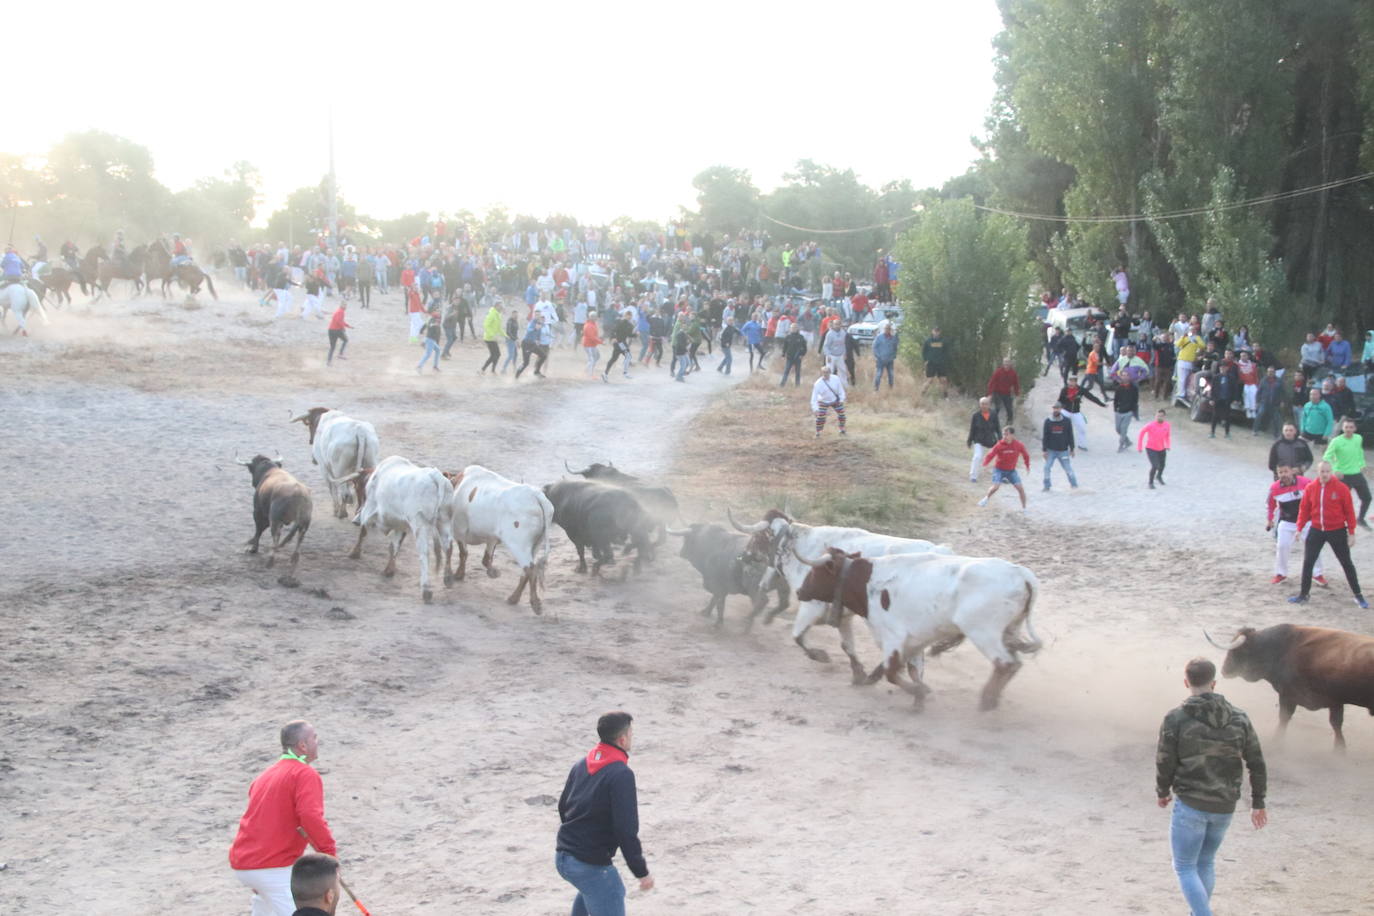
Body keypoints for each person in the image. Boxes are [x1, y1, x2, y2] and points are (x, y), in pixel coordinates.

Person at [1155, 657, 1267, 916]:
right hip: (1225, 806)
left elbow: (1165, 759)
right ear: (1214, 683)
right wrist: (1258, 803)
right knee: (1205, 862)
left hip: (1191, 803)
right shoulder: (1239, 718)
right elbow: (1257, 763)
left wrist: (1162, 792)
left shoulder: (1176, 718)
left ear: (1186, 682)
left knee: (1184, 866)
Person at [229, 721, 337, 916]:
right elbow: (310, 816)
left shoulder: (266, 774)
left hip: (245, 863)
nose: (317, 741)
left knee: (266, 907)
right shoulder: (304, 773)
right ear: (302, 746)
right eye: (314, 737)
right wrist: (328, 855)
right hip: (270, 866)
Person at [556, 711, 652, 916]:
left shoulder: (581, 764)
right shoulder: (621, 774)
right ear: (622, 739)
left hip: (563, 856)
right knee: (606, 887)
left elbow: (563, 807)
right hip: (588, 864)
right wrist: (641, 872)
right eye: (631, 734)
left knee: (590, 890)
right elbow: (625, 830)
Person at [1289, 461, 1368, 607]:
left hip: (1337, 530)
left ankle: (1358, 595)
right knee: (1308, 563)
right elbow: (1304, 509)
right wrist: (1299, 528)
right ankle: (1303, 594)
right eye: (1322, 471)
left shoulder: (1341, 488)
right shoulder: (1311, 488)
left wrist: (1351, 532)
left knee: (1346, 563)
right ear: (1318, 472)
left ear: (1331, 472)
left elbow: (1349, 512)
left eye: (1327, 471)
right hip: (1317, 529)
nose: (1325, 474)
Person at [1266, 465, 1325, 586]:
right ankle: (1280, 573)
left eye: (1285, 471)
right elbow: (1270, 505)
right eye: (1280, 472)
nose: (1283, 474)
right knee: (1282, 546)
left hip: (1307, 522)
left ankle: (1317, 574)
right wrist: (1270, 520)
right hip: (1286, 522)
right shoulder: (1274, 488)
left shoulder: (1305, 482)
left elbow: (1318, 495)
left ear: (1292, 471)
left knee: (1313, 547)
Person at [1323, 418, 1370, 529]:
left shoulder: (1358, 438)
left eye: (1351, 427)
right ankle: (1336, 523)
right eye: (1346, 427)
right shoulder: (1336, 441)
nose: (1348, 429)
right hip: (1343, 476)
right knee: (1339, 501)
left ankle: (1361, 519)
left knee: (1367, 497)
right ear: (1342, 428)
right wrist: (1335, 470)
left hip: (1357, 473)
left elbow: (1359, 451)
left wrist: (1362, 464)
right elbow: (1327, 457)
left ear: (1355, 428)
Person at [978, 425, 1030, 512]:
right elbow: (991, 454)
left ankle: (1024, 508)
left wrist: (1027, 466)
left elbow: (1026, 455)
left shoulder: (1018, 445)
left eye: (1007, 434)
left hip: (1011, 471)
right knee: (995, 487)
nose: (1004, 437)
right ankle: (986, 499)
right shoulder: (999, 445)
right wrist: (985, 464)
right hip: (999, 470)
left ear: (1012, 435)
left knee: (1020, 489)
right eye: (1003, 434)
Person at [1056, 374, 1106, 450]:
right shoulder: (1064, 389)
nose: (1071, 383)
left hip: (1076, 412)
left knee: (1082, 428)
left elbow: (1091, 397)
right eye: (1070, 381)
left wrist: (1101, 404)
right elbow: (1060, 400)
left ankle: (1082, 445)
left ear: (1076, 382)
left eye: (1073, 381)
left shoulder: (1080, 390)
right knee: (1062, 428)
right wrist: (1057, 409)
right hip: (1065, 411)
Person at [1041, 404, 1078, 491]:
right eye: (1054, 408)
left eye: (1057, 408)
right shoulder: (1048, 421)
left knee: (1068, 469)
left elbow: (1070, 435)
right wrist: (1044, 450)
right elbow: (1045, 436)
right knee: (1046, 468)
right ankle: (1047, 486)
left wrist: (1072, 449)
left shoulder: (1066, 421)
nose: (1056, 410)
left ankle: (1074, 485)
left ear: (1061, 409)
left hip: (1063, 450)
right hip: (1051, 450)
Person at [967, 397, 1001, 483]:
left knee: (1000, 456)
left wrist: (1000, 439)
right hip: (978, 439)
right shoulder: (976, 415)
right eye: (982, 404)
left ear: (989, 405)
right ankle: (973, 476)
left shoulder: (993, 414)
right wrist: (969, 440)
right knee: (977, 457)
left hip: (991, 440)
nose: (984, 406)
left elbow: (998, 427)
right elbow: (972, 429)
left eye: (986, 404)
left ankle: (1002, 476)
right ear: (979, 404)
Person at [1137, 408, 1172, 489]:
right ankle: (1150, 482)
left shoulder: (1167, 425)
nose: (1159, 417)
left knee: (1162, 465)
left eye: (1161, 416)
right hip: (1151, 448)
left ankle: (1159, 476)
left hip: (1162, 448)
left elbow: (1167, 436)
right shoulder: (1150, 425)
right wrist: (1139, 446)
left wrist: (1168, 445)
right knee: (1155, 465)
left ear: (1164, 417)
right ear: (1155, 416)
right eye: (1158, 416)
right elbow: (1141, 433)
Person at [1208, 350, 1240, 439]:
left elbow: (1234, 389)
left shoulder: (1231, 378)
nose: (1222, 369)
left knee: (1227, 417)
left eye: (1224, 367)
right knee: (1215, 416)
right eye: (1221, 368)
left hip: (1227, 399)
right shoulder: (1216, 377)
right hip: (1217, 399)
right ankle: (1212, 432)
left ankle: (1227, 433)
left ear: (1227, 368)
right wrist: (1211, 399)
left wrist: (1235, 399)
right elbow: (1213, 389)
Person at [810, 364, 847, 437]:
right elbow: (814, 397)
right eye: (824, 372)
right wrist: (815, 409)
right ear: (821, 373)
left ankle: (842, 429)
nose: (825, 374)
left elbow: (841, 390)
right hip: (823, 401)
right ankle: (818, 432)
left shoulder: (836, 379)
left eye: (827, 372)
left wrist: (842, 399)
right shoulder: (818, 383)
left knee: (842, 415)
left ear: (830, 372)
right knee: (821, 417)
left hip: (835, 400)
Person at [602, 309, 635, 382]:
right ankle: (625, 372)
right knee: (628, 356)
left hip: (621, 343)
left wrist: (636, 335)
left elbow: (629, 335)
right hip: (619, 343)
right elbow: (613, 330)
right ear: (625, 315)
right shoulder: (620, 322)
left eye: (630, 316)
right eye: (628, 315)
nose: (629, 317)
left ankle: (605, 373)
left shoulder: (630, 325)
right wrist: (612, 338)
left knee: (614, 358)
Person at [987, 357, 1021, 423]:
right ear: (1003, 363)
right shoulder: (998, 371)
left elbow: (1016, 384)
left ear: (1010, 363)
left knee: (1009, 408)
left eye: (1008, 362)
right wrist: (990, 394)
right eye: (1005, 362)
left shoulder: (1013, 373)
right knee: (997, 407)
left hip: (1007, 393)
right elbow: (992, 382)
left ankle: (1009, 423)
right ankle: (992, 421)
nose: (1006, 364)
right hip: (997, 392)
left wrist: (1017, 394)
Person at [1113, 373, 1140, 451]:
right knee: (1118, 429)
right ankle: (1127, 441)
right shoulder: (1118, 388)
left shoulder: (1134, 388)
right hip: (1119, 411)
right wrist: (1115, 409)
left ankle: (1121, 445)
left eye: (1126, 375)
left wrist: (1133, 410)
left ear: (1129, 377)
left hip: (1128, 412)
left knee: (1123, 429)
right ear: (1121, 377)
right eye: (1123, 375)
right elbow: (1115, 399)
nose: (1125, 377)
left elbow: (1136, 400)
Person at [921, 326, 949, 396]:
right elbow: (924, 352)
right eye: (935, 331)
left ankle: (945, 396)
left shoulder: (943, 341)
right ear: (932, 331)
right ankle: (922, 394)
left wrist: (944, 360)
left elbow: (946, 351)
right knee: (929, 380)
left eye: (938, 331)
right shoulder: (928, 341)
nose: (936, 332)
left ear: (940, 332)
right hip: (931, 363)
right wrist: (925, 360)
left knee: (944, 380)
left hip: (941, 364)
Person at [480, 300, 504, 374]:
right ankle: (483, 369)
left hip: (493, 338)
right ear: (496, 306)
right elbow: (486, 325)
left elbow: (499, 328)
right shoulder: (492, 314)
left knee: (496, 354)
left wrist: (506, 335)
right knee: (495, 354)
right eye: (500, 306)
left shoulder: (498, 314)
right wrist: (492, 335)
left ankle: (492, 370)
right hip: (489, 338)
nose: (502, 307)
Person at [872, 322, 898, 390]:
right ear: (884, 329)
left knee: (891, 375)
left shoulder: (893, 338)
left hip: (890, 360)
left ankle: (890, 388)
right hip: (880, 360)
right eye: (886, 329)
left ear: (890, 330)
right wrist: (878, 356)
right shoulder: (879, 337)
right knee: (878, 375)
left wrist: (893, 356)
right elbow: (875, 347)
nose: (887, 330)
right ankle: (876, 389)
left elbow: (895, 347)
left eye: (889, 329)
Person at [780, 322, 806, 387]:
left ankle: (797, 385)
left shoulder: (801, 337)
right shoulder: (787, 337)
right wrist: (783, 355)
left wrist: (802, 355)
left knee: (797, 372)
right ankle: (782, 384)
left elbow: (805, 348)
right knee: (786, 371)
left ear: (797, 329)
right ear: (790, 329)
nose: (793, 329)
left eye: (795, 328)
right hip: (789, 357)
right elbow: (784, 347)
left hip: (798, 357)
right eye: (792, 328)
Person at [582, 311, 603, 378]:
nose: (596, 318)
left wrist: (599, 339)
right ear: (591, 317)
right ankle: (590, 374)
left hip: (592, 345)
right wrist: (600, 341)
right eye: (594, 316)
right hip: (588, 345)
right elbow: (591, 337)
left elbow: (594, 335)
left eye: (596, 316)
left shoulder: (593, 324)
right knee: (592, 359)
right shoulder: (589, 325)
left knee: (597, 357)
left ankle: (586, 370)